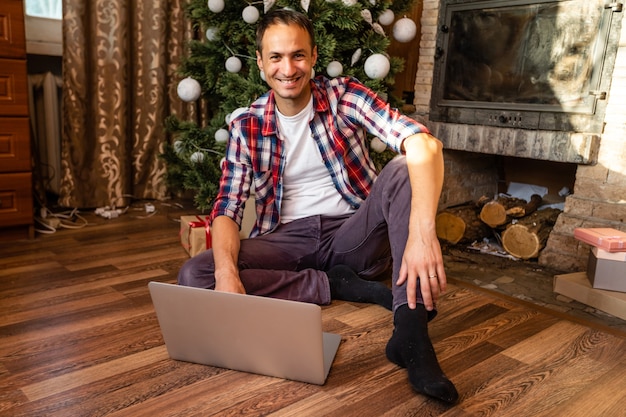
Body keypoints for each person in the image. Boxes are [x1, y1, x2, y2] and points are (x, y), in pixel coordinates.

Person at [178, 8, 458, 404]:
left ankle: (410, 334)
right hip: (288, 239)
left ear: (312, 57)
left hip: (352, 233)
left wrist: (421, 235)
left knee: (401, 168)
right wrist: (226, 275)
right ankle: (330, 283)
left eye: (297, 55)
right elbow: (227, 208)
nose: (287, 68)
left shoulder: (345, 95)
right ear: (260, 62)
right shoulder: (247, 125)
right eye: (275, 57)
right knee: (197, 275)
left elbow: (424, 144)